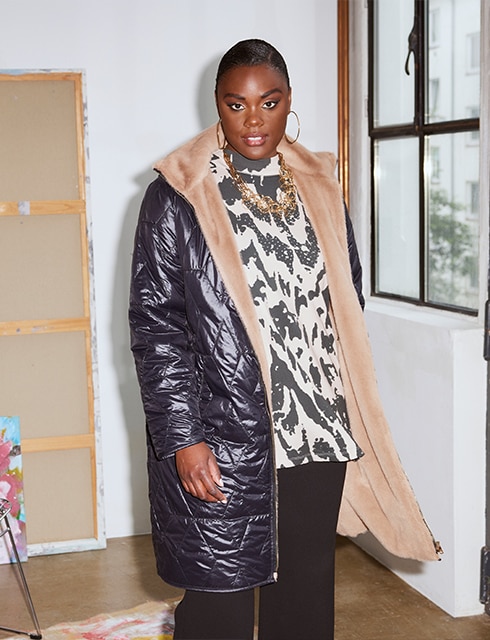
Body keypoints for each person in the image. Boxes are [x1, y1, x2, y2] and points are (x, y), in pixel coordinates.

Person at [129, 39, 440, 640]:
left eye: (268, 102)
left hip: (316, 427)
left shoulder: (319, 188)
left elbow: (343, 297)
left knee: (303, 593)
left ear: (288, 103)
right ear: (216, 105)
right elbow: (156, 329)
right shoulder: (177, 197)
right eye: (235, 103)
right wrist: (182, 438)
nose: (253, 120)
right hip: (222, 434)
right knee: (217, 603)